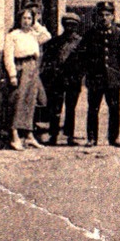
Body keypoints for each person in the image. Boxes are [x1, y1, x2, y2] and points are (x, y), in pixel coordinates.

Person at [83, 1, 120, 147]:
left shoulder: (118, 33)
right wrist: (90, 67)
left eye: (107, 15)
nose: (104, 18)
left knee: (114, 107)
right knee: (93, 108)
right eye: (102, 15)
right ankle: (92, 138)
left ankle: (114, 138)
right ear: (97, 17)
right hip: (95, 77)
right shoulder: (91, 33)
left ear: (112, 16)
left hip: (112, 78)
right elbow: (82, 52)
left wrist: (116, 66)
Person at [1, 7, 50, 150]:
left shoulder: (34, 34)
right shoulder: (13, 35)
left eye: (29, 18)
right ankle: (15, 137)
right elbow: (8, 56)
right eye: (24, 18)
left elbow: (47, 35)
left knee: (31, 101)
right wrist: (12, 75)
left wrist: (36, 23)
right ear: (19, 20)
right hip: (20, 67)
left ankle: (29, 136)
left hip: (33, 68)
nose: (26, 21)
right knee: (18, 101)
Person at [42, 11, 86, 145]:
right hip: (57, 80)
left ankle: (70, 136)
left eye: (73, 25)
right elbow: (47, 60)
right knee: (55, 108)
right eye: (67, 25)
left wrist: (79, 75)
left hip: (73, 80)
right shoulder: (54, 42)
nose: (70, 28)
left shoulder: (81, 43)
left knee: (71, 108)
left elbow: (85, 62)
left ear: (77, 27)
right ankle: (53, 135)